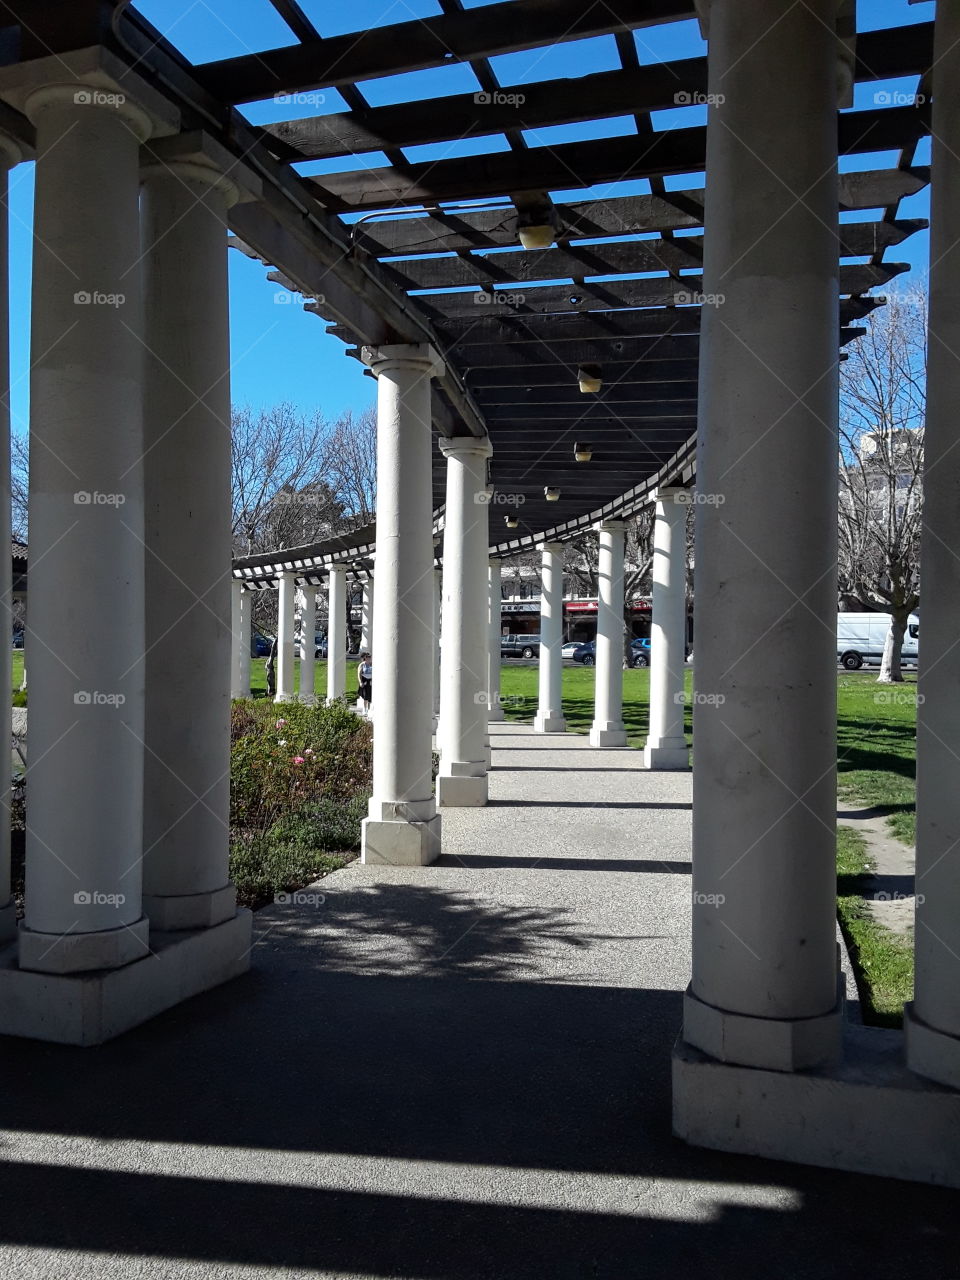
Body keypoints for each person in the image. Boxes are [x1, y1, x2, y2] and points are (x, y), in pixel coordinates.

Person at [357, 651, 373, 716]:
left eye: (370, 657)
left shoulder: (372, 664)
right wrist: (360, 682)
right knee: (365, 695)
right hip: (364, 681)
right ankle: (365, 708)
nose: (369, 658)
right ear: (365, 658)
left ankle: (369, 709)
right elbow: (359, 674)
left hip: (371, 681)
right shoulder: (362, 665)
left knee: (370, 696)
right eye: (367, 657)